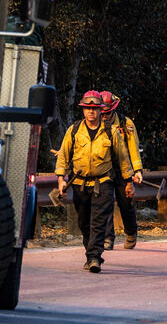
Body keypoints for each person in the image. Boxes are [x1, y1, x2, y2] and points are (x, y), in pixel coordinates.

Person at [56, 91, 137, 272]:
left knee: (99, 222)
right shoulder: (74, 130)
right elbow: (63, 157)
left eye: (95, 109)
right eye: (88, 108)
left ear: (101, 111)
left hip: (104, 182)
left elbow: (123, 159)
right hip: (80, 184)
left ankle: (94, 257)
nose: (91, 112)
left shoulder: (111, 131)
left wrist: (129, 181)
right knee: (84, 222)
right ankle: (90, 253)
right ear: (83, 110)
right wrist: (61, 180)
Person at [99, 91, 144, 250]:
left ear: (113, 110)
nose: (104, 117)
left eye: (107, 113)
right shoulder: (93, 125)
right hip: (103, 170)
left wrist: (137, 170)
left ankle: (131, 232)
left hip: (123, 170)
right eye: (101, 113)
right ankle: (107, 238)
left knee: (125, 204)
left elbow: (133, 148)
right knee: (105, 204)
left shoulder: (126, 124)